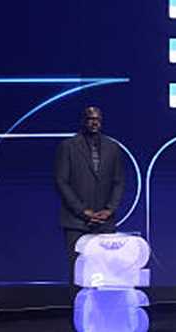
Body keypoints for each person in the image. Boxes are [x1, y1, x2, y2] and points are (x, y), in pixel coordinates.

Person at [54, 106, 126, 299]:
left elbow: (118, 182)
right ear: (83, 121)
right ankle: (79, 310)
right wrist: (82, 211)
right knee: (78, 271)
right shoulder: (68, 146)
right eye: (90, 119)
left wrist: (109, 210)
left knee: (105, 270)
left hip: (105, 221)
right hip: (76, 222)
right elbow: (61, 182)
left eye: (97, 119)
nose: (94, 122)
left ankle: (103, 312)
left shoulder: (112, 147)